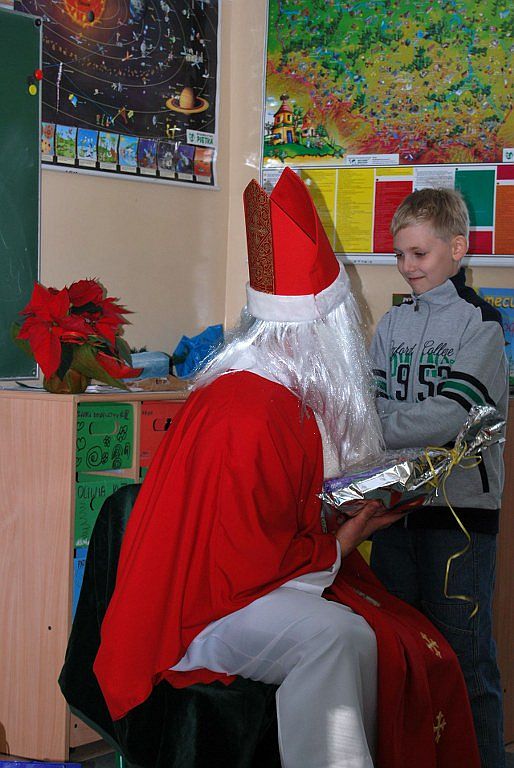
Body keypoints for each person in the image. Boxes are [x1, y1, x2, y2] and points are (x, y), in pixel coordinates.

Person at [94, 170, 480, 768]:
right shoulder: (254, 410)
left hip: (222, 586)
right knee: (340, 638)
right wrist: (344, 538)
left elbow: (268, 517)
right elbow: (247, 561)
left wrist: (337, 513)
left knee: (374, 634)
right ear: (315, 331)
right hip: (198, 610)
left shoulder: (272, 392)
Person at [369, 187, 508, 768]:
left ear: (457, 248)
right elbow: (367, 398)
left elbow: (451, 414)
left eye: (419, 254)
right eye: (400, 254)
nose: (407, 266)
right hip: (394, 511)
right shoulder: (390, 323)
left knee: (464, 659)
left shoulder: (483, 324)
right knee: (401, 654)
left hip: (459, 517)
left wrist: (377, 429)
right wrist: (370, 424)